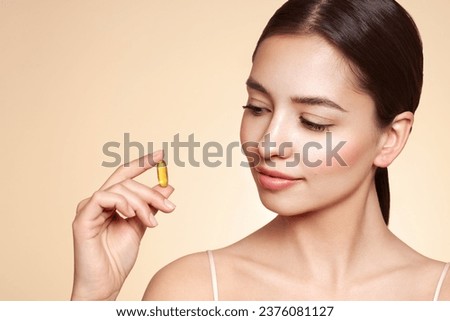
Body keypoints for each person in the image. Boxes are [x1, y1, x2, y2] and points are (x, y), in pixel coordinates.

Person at [71, 0, 450, 301]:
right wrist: (93, 300)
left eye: (314, 121)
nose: (268, 144)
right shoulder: (195, 291)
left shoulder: (439, 296)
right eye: (257, 108)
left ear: (391, 138)